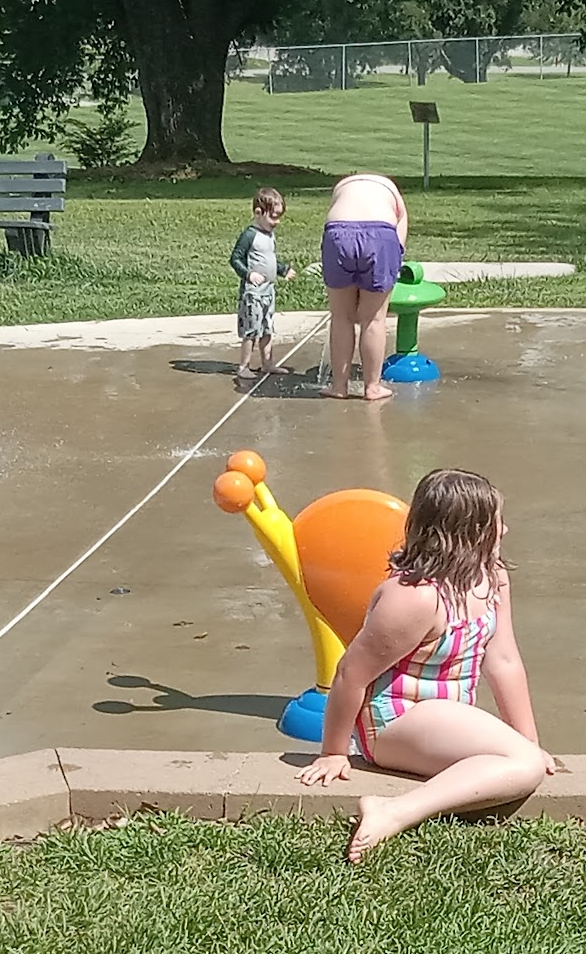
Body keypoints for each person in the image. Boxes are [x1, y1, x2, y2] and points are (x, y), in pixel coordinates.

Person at [301, 468, 554, 863]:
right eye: (496, 522)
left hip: (441, 716)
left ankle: (404, 806)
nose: (505, 530)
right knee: (524, 766)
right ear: (466, 532)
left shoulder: (492, 578)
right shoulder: (415, 599)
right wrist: (334, 752)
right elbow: (351, 673)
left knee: (526, 758)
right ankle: (394, 810)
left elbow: (503, 659)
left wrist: (529, 740)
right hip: (393, 721)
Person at [319, 172, 408, 402]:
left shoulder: (342, 189)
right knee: (374, 319)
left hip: (338, 231)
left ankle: (339, 386)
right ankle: (372, 388)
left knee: (341, 317)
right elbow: (399, 241)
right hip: (381, 232)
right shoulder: (392, 194)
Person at [229, 187, 295, 383]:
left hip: (268, 291)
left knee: (267, 328)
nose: (277, 222)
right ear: (258, 213)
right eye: (273, 217)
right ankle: (244, 366)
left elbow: (269, 259)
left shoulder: (269, 235)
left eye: (279, 217)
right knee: (251, 330)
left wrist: (283, 270)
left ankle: (267, 363)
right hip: (252, 293)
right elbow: (235, 259)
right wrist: (248, 274)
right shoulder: (249, 235)